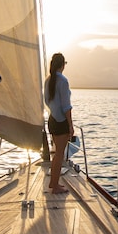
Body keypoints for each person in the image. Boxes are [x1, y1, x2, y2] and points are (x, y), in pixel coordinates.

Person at [43, 52, 73, 194]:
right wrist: (70, 125)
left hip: (52, 120)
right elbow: (66, 106)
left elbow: (47, 101)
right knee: (59, 155)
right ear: (62, 64)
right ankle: (55, 185)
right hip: (61, 121)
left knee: (57, 154)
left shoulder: (48, 80)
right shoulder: (63, 81)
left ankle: (53, 183)